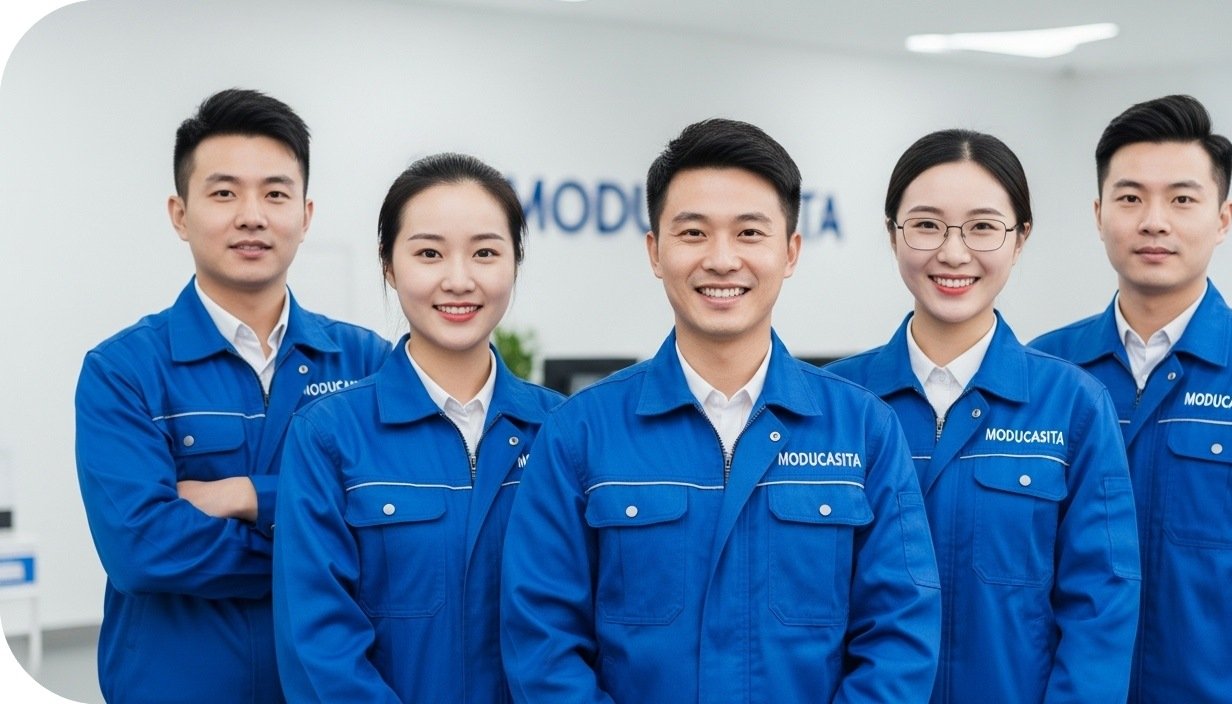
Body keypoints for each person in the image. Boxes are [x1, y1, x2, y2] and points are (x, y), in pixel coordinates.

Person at [500, 118, 941, 703]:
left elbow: (899, 637)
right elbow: (543, 643)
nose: (722, 259)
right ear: (655, 252)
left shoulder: (864, 430)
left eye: (750, 233)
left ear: (790, 252)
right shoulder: (580, 432)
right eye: (693, 234)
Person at [1029, 94, 1232, 703]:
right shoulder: (1043, 370)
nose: (1154, 220)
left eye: (1183, 199)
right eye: (1130, 198)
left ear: (1224, 218)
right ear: (1099, 213)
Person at [74, 88, 390, 703]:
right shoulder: (123, 371)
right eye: (224, 193)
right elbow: (141, 550)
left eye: (276, 193)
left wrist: (243, 495)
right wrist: (318, 543)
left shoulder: (366, 362)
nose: (253, 215)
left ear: (306, 213)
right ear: (180, 214)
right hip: (174, 686)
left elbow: (391, 537)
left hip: (327, 686)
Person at [826, 129, 1141, 703]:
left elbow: (1100, 605)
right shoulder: (835, 402)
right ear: (891, 234)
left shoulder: (1074, 405)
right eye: (925, 224)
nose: (953, 252)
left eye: (982, 226)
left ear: (1020, 238)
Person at [272, 152, 563, 702]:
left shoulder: (562, 430)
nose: (459, 279)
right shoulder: (329, 436)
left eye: (485, 253)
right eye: (429, 252)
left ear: (514, 264)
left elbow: (582, 625)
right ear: (389, 264)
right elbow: (319, 645)